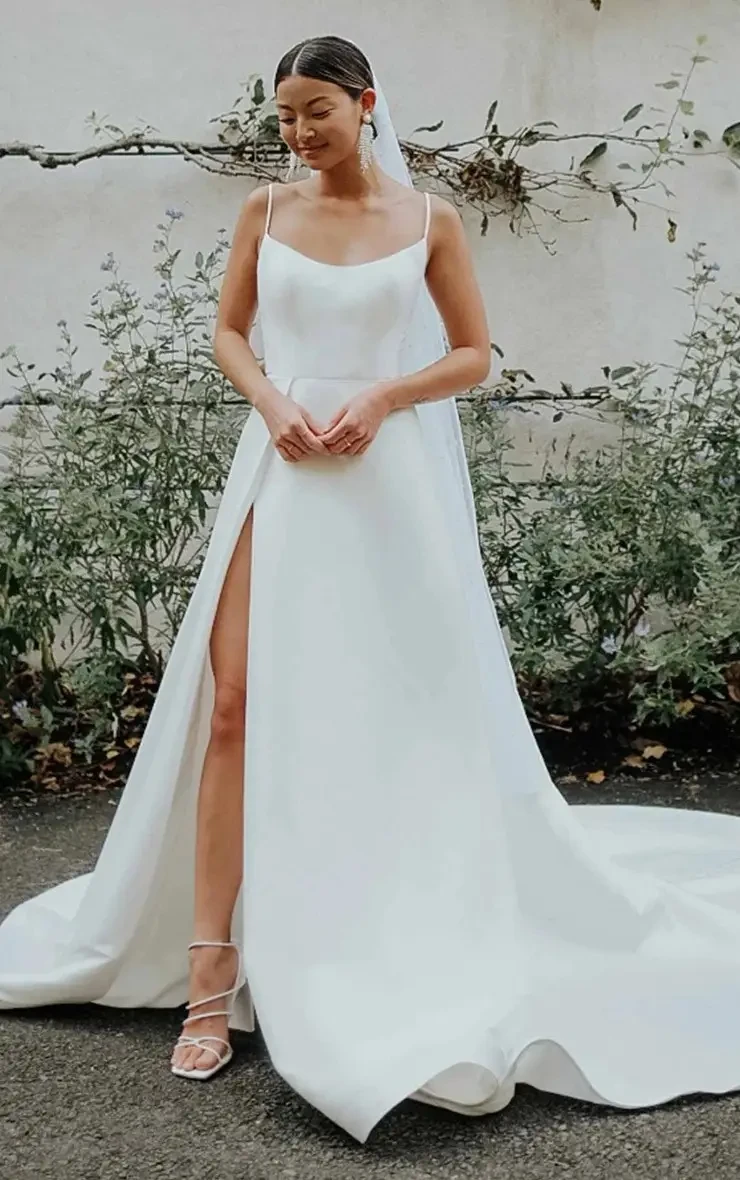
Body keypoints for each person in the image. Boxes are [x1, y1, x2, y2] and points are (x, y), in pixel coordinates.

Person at [2, 33, 740, 1148]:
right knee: (235, 703)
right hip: (281, 474)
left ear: (364, 105)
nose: (297, 133)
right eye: (284, 117)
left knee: (393, 714)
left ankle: (370, 932)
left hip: (384, 490)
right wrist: (272, 404)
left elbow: (475, 353)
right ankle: (210, 971)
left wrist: (384, 397)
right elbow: (230, 331)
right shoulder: (262, 213)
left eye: (315, 112)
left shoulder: (430, 220)